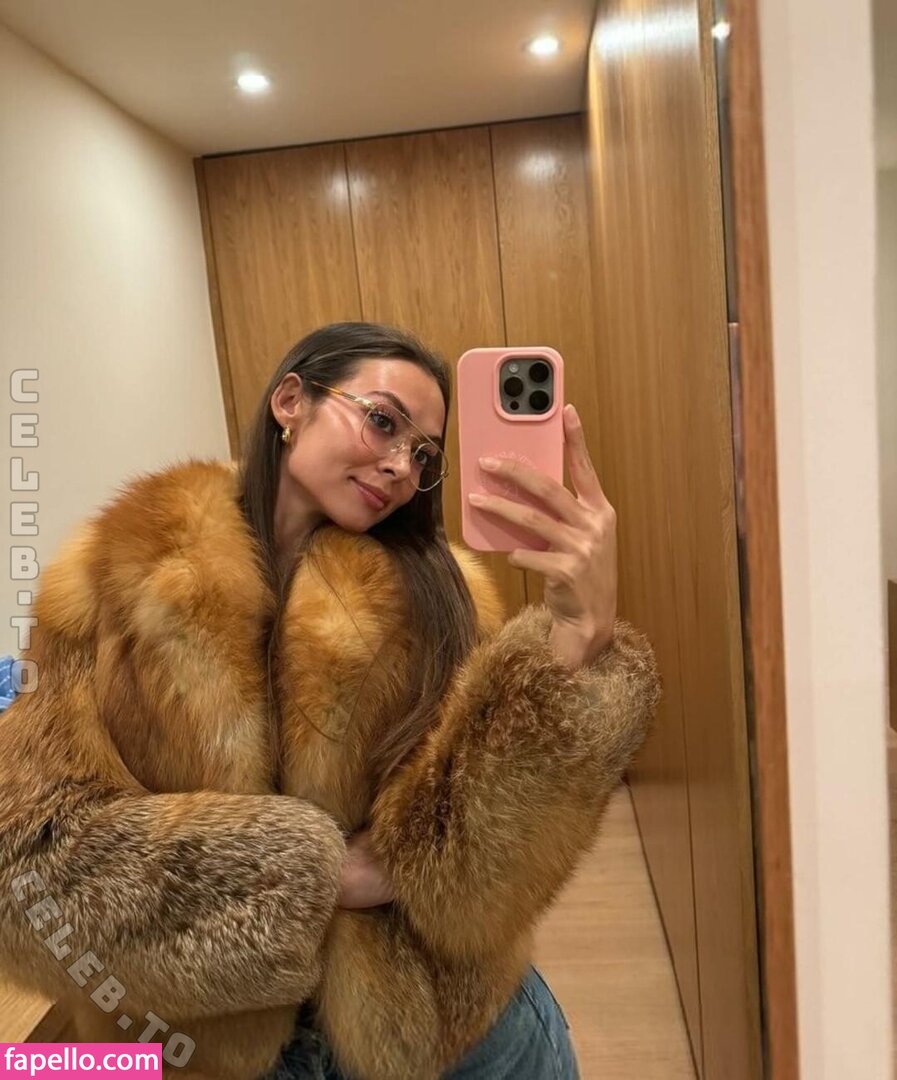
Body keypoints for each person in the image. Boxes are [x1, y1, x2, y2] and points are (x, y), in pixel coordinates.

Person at [0, 322, 661, 1079]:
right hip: (196, 1050)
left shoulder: (445, 598)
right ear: (291, 402)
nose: (401, 466)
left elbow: (483, 872)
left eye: (424, 455)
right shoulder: (107, 579)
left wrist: (577, 641)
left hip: (448, 1035)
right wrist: (309, 875)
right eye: (382, 421)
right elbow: (26, 866)